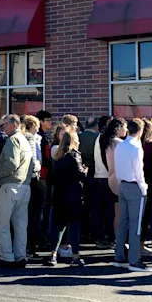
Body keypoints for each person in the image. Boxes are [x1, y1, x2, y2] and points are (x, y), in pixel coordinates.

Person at [112, 118, 152, 272]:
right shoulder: (136, 147)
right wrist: (143, 188)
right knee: (135, 225)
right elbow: (139, 171)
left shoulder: (120, 146)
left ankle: (119, 256)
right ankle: (134, 260)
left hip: (122, 184)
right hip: (134, 186)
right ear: (141, 131)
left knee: (123, 222)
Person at [0, 114, 35, 267]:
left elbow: (11, 163)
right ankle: (20, 255)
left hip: (10, 185)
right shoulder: (25, 140)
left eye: (5, 124)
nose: (2, 127)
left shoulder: (12, 140)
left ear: (15, 125)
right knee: (20, 224)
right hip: (25, 185)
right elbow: (33, 164)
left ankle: (6, 256)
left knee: (1, 223)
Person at [46, 129, 86, 266]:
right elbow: (78, 175)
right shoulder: (74, 155)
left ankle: (53, 255)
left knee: (58, 227)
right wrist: (85, 170)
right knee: (74, 227)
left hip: (59, 195)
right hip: (73, 196)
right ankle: (75, 256)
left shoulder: (57, 156)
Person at [93, 118, 122, 247]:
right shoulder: (113, 142)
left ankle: (100, 237)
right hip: (109, 177)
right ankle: (112, 237)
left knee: (100, 210)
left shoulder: (99, 138)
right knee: (112, 210)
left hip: (98, 176)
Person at [22, 114, 45, 255]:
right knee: (33, 212)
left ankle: (31, 242)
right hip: (32, 178)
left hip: (30, 178)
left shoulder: (36, 139)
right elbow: (34, 159)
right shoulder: (30, 139)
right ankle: (31, 243)